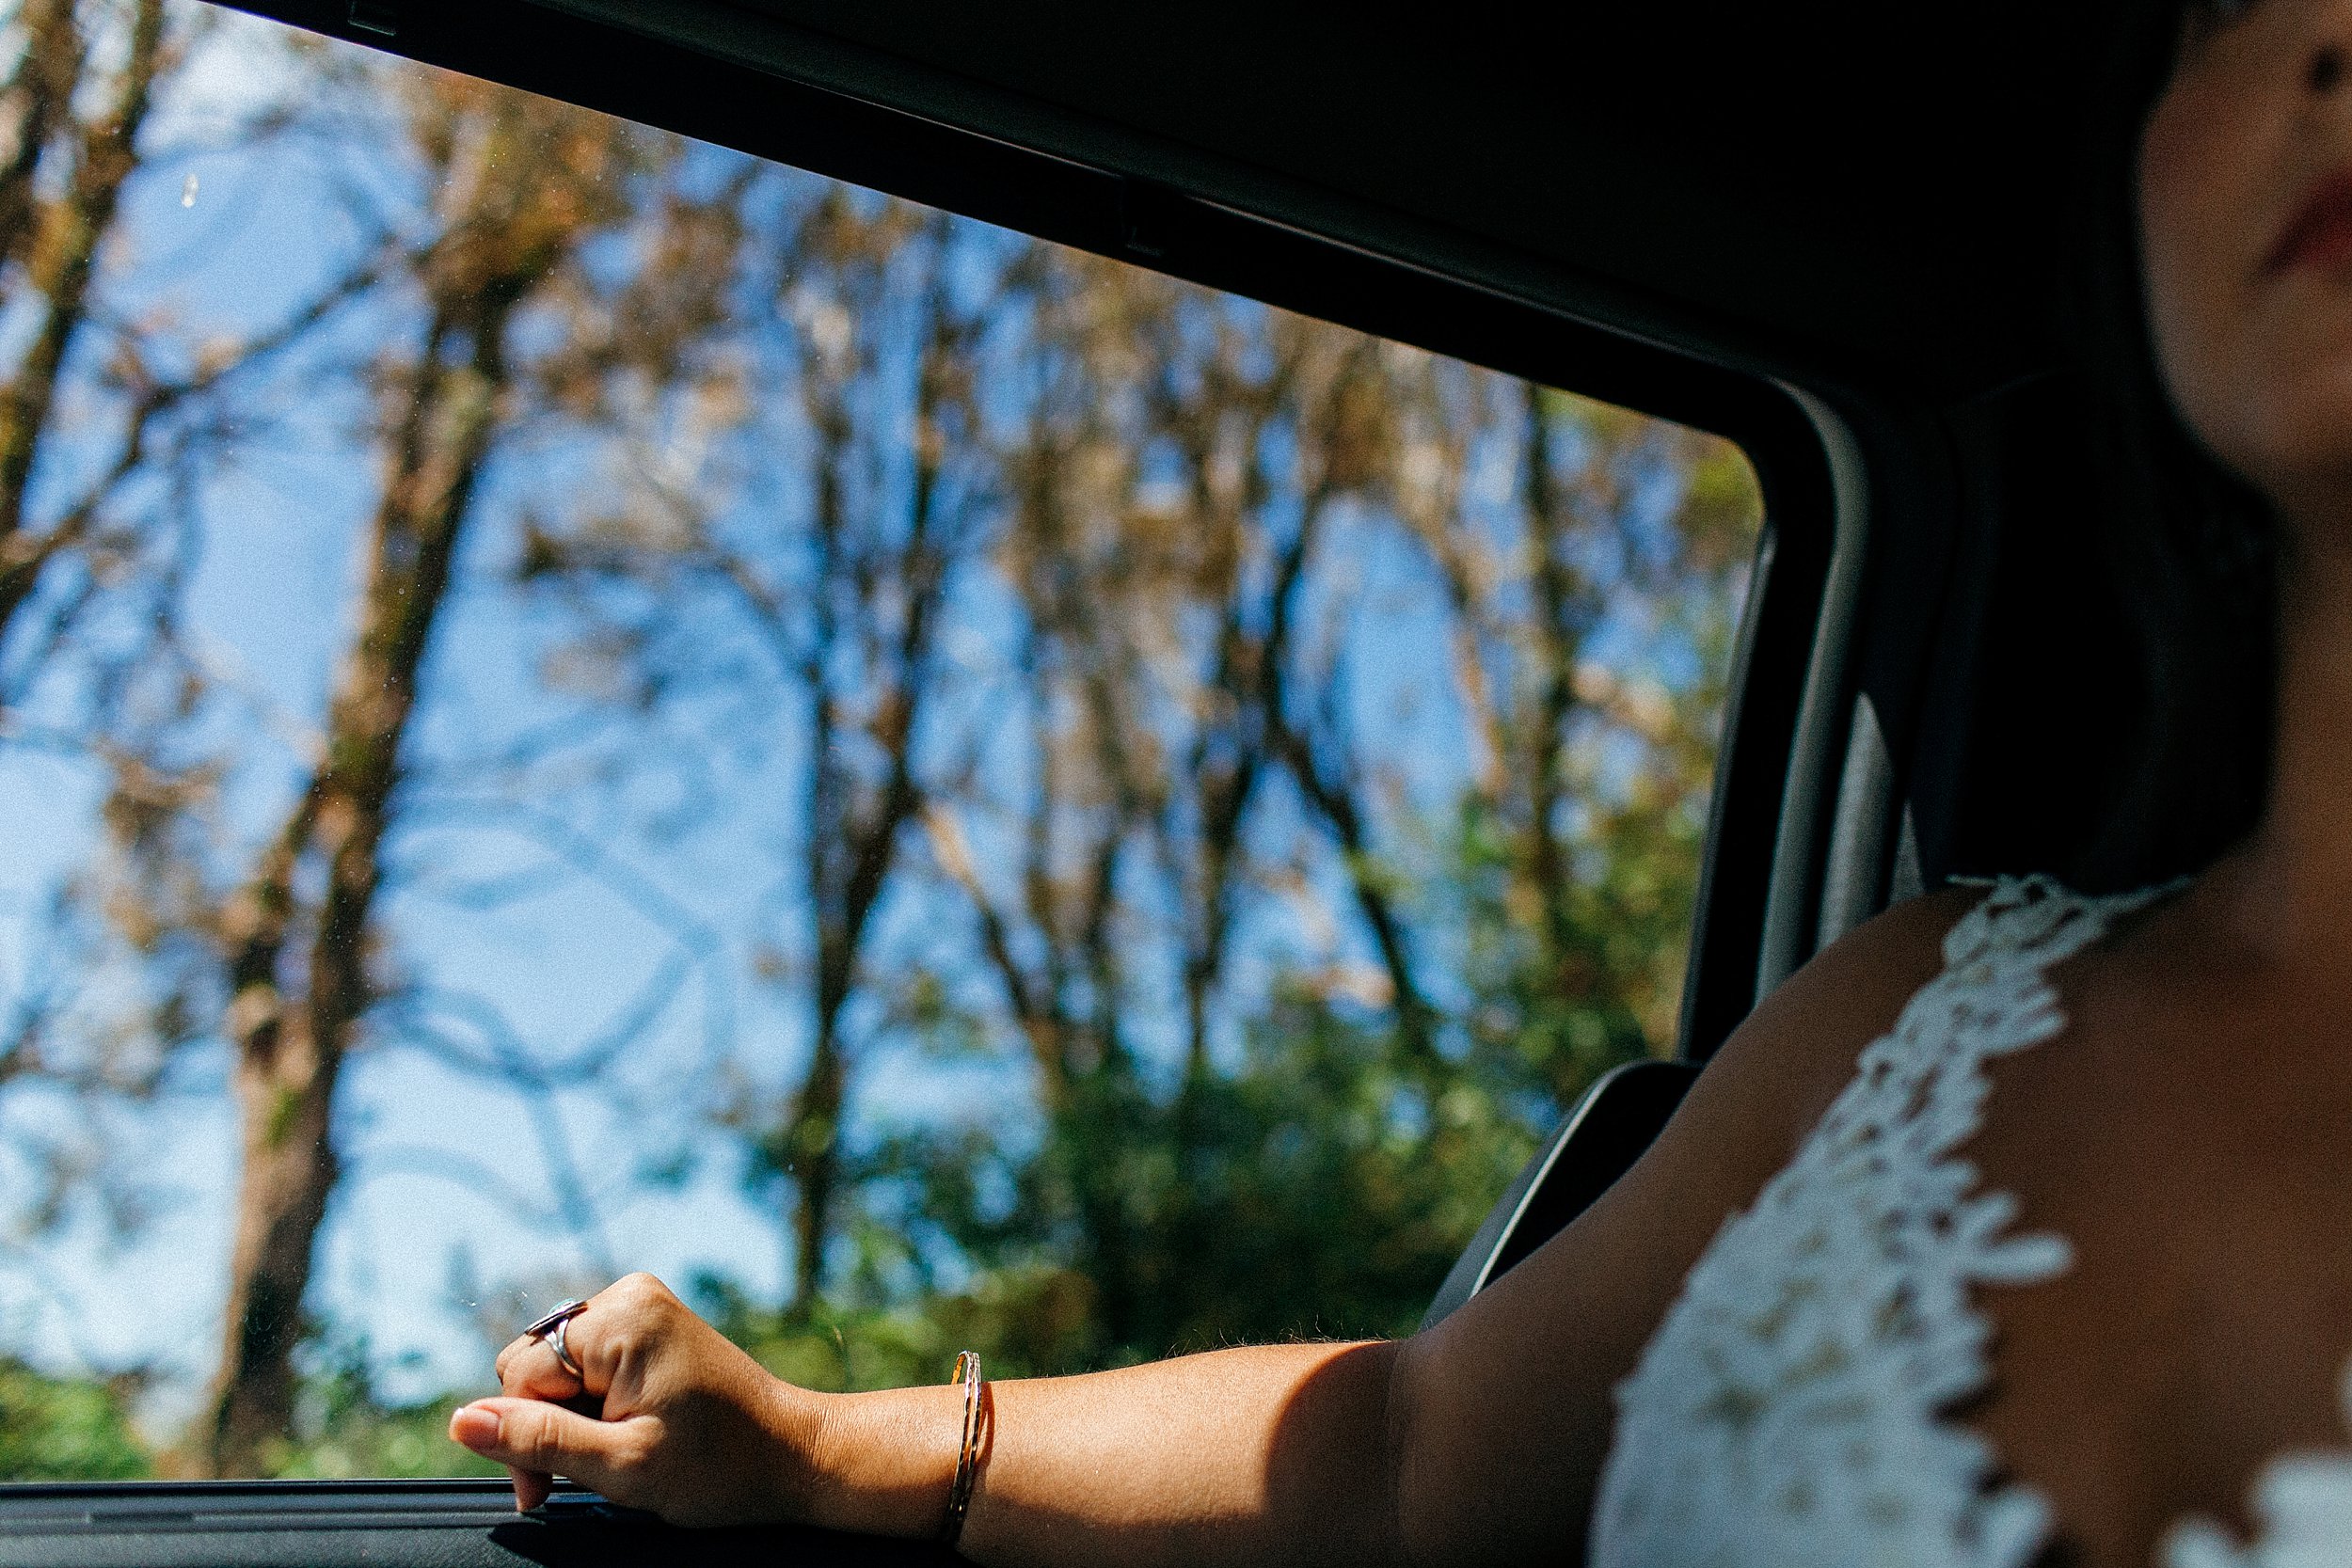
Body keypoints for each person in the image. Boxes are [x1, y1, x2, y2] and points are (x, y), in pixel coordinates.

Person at [448, 1, 2352, 1561]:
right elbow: (1404, 1451)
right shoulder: (1910, 1011)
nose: (2321, 40)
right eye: (2227, 3)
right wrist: (799, 1444)